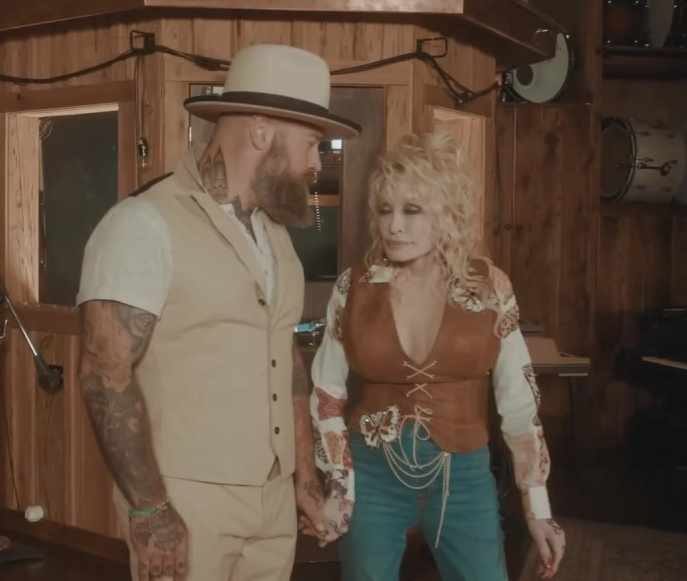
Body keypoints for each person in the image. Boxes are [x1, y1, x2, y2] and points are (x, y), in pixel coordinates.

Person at [75, 44, 361, 581]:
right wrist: (150, 509)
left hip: (272, 499)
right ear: (261, 131)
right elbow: (103, 375)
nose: (316, 164)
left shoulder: (275, 234)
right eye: (311, 144)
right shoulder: (143, 224)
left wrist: (303, 480)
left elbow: (287, 362)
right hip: (185, 501)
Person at [305, 132, 566, 580]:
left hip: (462, 477)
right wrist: (339, 488)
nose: (394, 226)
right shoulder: (353, 287)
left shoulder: (489, 287)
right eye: (384, 210)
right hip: (371, 476)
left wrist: (537, 509)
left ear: (447, 212)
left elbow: (519, 405)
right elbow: (327, 394)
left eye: (412, 210)